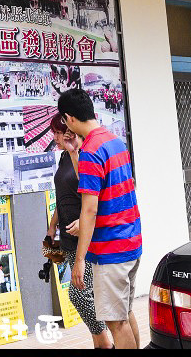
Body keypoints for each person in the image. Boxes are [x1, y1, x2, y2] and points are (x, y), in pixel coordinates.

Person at [62, 88, 142, 350]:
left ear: (69, 119)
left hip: (111, 250)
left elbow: (89, 210)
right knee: (126, 314)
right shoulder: (114, 141)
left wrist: (80, 260)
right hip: (131, 242)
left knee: (116, 323)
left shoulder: (92, 150)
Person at [45, 112, 111, 349]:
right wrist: (53, 226)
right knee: (87, 293)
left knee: (80, 294)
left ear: (68, 130)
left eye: (57, 132)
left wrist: (84, 224)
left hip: (88, 237)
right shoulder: (64, 156)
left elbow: (94, 197)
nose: (54, 137)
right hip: (68, 237)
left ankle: (106, 342)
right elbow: (63, 195)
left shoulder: (84, 155)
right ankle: (100, 343)